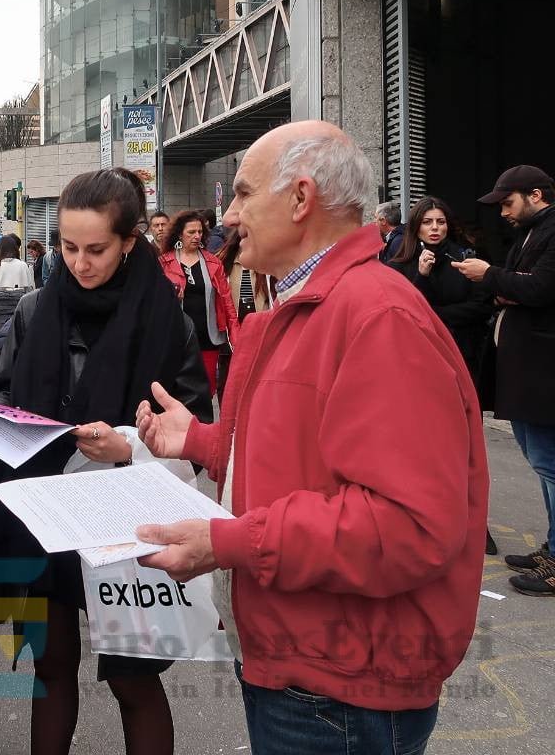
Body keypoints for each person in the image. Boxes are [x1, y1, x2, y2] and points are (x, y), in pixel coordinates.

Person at [136, 121, 489, 755]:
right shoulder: (312, 304)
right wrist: (203, 443)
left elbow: (409, 525)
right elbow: (300, 461)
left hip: (338, 690)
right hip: (308, 668)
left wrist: (230, 541)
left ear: (300, 200)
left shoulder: (376, 315)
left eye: (242, 195)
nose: (229, 216)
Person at [0, 168, 212, 755]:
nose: (80, 263)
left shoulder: (168, 320)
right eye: (67, 248)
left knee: (135, 682)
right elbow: (6, 396)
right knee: (51, 669)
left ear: (130, 241)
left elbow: (197, 429)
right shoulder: (36, 310)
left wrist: (128, 446)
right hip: (52, 509)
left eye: (96, 249)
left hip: (129, 517)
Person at [454, 165, 555, 595]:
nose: (504, 213)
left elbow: (541, 289)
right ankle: (552, 548)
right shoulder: (529, 235)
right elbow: (514, 290)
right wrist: (505, 283)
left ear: (536, 194)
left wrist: (492, 276)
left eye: (508, 203)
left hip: (544, 373)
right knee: (542, 464)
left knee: (551, 466)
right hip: (525, 371)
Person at [389, 196, 492, 374]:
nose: (435, 227)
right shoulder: (398, 264)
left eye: (440, 221)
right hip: (418, 353)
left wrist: (436, 316)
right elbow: (403, 312)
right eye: (427, 222)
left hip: (463, 351)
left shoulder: (465, 257)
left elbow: (482, 306)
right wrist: (422, 276)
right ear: (416, 226)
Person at [158, 210, 240, 396]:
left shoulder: (213, 263)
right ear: (180, 234)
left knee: (207, 388)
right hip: (176, 335)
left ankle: (203, 423)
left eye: (200, 232)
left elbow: (227, 301)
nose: (197, 236)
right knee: (176, 388)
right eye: (191, 232)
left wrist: (235, 335)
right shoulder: (164, 262)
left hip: (207, 336)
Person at [215, 232, 271, 403]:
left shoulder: (266, 265)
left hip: (260, 330)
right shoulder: (224, 264)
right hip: (232, 331)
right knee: (229, 379)